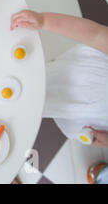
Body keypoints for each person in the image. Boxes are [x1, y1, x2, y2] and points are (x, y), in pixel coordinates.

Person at [11, 10, 108, 148]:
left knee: (27, 104)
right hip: (73, 75)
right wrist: (44, 20)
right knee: (27, 79)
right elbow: (95, 35)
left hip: (81, 113)